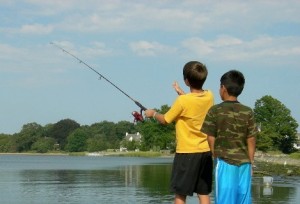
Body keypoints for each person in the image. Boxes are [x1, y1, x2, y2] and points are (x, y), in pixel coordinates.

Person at [144, 61, 214, 204]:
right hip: (205, 152)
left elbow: (165, 120)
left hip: (187, 153)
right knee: (203, 192)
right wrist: (182, 93)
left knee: (180, 194)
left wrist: (153, 113)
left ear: (186, 81)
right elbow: (194, 103)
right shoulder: (210, 96)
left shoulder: (182, 101)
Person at [201, 70, 258, 204]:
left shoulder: (215, 110)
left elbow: (210, 137)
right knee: (243, 199)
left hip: (225, 162)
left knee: (225, 199)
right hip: (245, 163)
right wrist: (251, 162)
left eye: (220, 87)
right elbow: (251, 139)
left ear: (224, 88)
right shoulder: (248, 111)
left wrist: (215, 155)